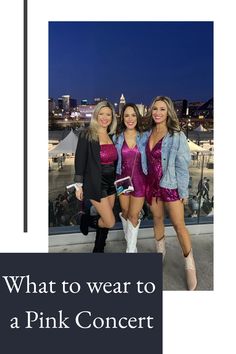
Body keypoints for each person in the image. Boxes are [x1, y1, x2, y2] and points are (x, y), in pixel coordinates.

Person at [145, 96, 197, 290]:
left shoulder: (177, 135)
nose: (158, 112)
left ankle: (189, 264)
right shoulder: (147, 133)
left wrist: (183, 191)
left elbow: (183, 165)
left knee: (178, 225)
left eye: (162, 109)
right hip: (152, 185)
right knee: (157, 220)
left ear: (169, 113)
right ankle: (161, 253)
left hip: (171, 185)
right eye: (155, 109)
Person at [74, 101, 118, 252]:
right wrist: (78, 186)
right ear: (96, 115)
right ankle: (86, 220)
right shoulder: (87, 135)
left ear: (112, 117)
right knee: (110, 221)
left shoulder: (112, 135)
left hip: (111, 183)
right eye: (101, 114)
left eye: (108, 114)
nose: (105, 117)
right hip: (95, 183)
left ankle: (98, 248)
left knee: (106, 218)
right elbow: (80, 160)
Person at [113, 103, 149, 252]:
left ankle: (131, 251)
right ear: (122, 118)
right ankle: (131, 245)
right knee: (126, 212)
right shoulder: (116, 137)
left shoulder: (146, 136)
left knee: (134, 216)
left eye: (133, 115)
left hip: (140, 181)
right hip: (122, 180)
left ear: (138, 117)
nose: (130, 118)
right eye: (127, 115)